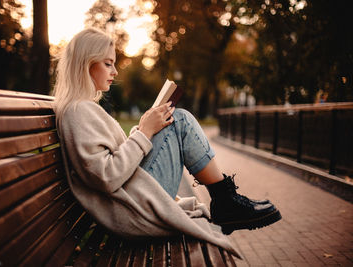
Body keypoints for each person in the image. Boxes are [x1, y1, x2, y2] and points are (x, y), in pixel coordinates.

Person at [53, 28, 281, 258]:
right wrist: (144, 132)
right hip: (132, 208)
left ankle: (225, 200)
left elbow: (113, 160)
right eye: (108, 63)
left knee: (174, 119)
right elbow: (106, 176)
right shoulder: (78, 111)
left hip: (134, 196)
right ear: (86, 63)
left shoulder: (82, 108)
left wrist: (144, 129)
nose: (115, 71)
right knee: (179, 119)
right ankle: (225, 201)